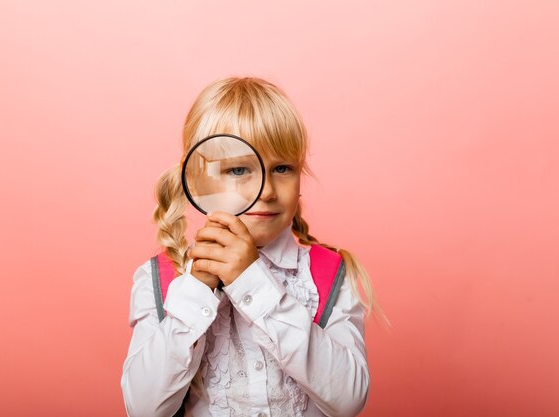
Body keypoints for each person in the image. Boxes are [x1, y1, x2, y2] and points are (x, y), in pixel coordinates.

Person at [121, 76, 386, 417]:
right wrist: (197, 290)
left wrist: (252, 281)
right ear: (197, 182)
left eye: (282, 168)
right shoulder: (160, 279)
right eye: (239, 169)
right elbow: (143, 409)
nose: (267, 191)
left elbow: (348, 399)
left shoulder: (329, 275)